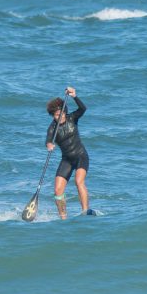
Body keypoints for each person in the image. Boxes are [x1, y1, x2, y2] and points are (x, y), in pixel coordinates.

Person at [46, 86, 91, 219]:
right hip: (67, 160)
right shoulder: (52, 128)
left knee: (78, 181)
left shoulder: (73, 118)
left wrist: (74, 96)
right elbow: (48, 140)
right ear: (53, 115)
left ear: (65, 112)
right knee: (57, 190)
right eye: (56, 115)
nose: (59, 117)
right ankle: (63, 218)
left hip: (81, 156)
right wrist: (49, 145)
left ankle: (85, 211)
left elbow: (83, 109)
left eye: (61, 114)